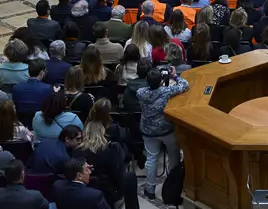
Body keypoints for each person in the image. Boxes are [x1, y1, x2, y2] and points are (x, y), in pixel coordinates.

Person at [137, 68, 190, 199]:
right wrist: (174, 76)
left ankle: (150, 189)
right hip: (166, 130)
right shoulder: (166, 91)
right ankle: (173, 184)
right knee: (173, 155)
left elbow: (147, 89)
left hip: (148, 131)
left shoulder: (140, 92)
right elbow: (185, 85)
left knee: (151, 158)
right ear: (161, 81)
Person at [73, 122, 138, 209]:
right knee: (129, 178)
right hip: (108, 191)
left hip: (85, 190)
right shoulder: (109, 150)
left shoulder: (77, 151)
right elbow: (116, 174)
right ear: (102, 133)